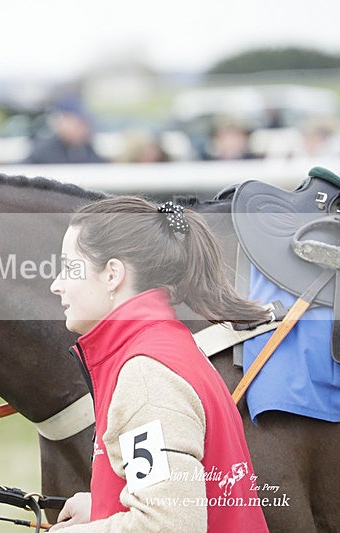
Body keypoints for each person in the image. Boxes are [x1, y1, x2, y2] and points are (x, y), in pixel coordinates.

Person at [49, 197, 269, 532]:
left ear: (112, 274)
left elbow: (167, 525)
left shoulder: (147, 374)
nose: (57, 284)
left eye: (70, 267)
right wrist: (103, 508)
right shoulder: (166, 346)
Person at [22, 96, 106, 164]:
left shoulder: (88, 151)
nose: (83, 129)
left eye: (84, 124)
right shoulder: (43, 152)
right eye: (77, 123)